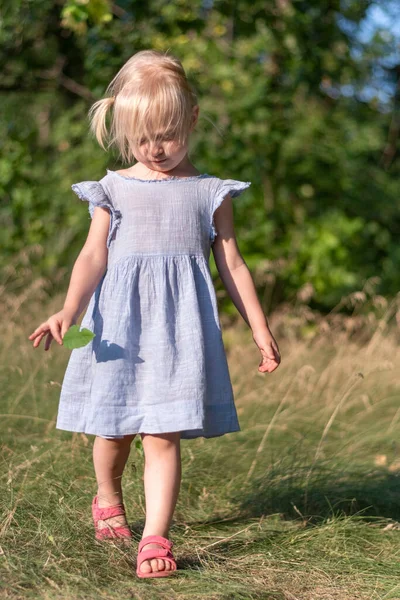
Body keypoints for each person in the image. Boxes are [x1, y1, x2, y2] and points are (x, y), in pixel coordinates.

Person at [28, 49, 281, 578]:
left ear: (190, 118)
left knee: (163, 434)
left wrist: (259, 328)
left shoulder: (210, 193)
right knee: (114, 429)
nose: (155, 148)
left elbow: (232, 262)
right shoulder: (113, 189)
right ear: (123, 130)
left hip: (179, 333)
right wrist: (66, 311)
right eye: (141, 138)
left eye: (166, 134)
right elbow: (92, 256)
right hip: (117, 328)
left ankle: (154, 538)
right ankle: (107, 498)